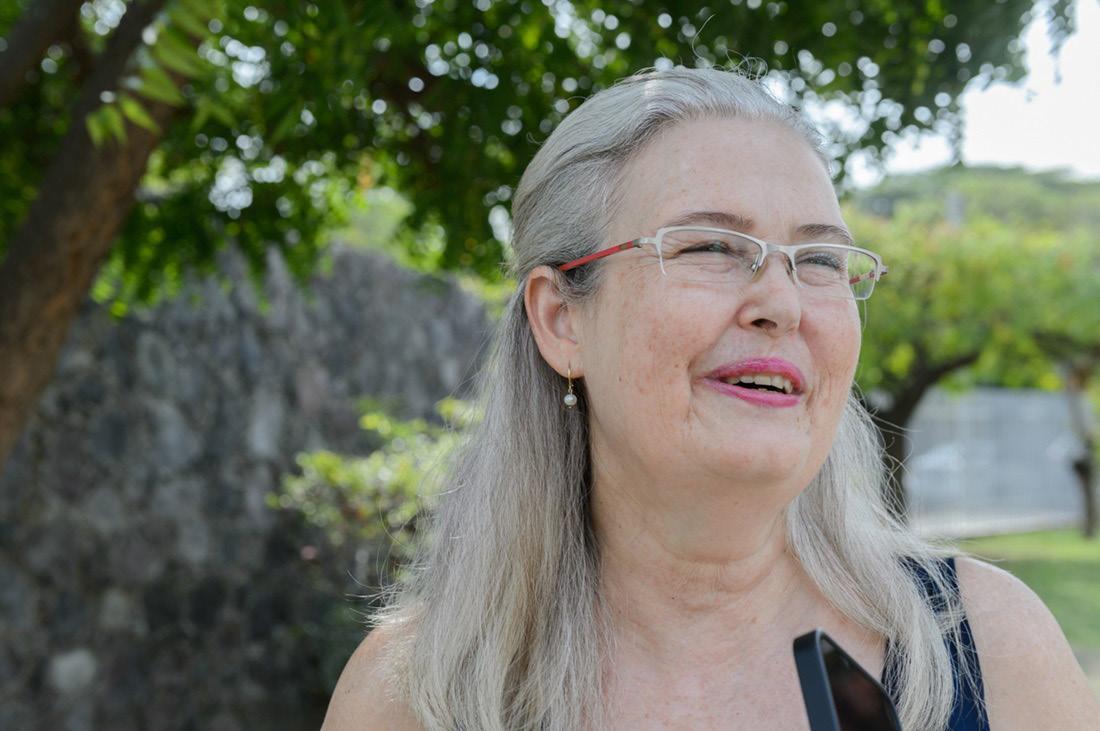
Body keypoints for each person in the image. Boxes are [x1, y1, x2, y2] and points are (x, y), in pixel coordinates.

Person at [321, 66, 1099, 730]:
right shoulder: (409, 695)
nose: (782, 302)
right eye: (711, 246)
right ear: (561, 320)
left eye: (819, 259)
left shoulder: (993, 651)